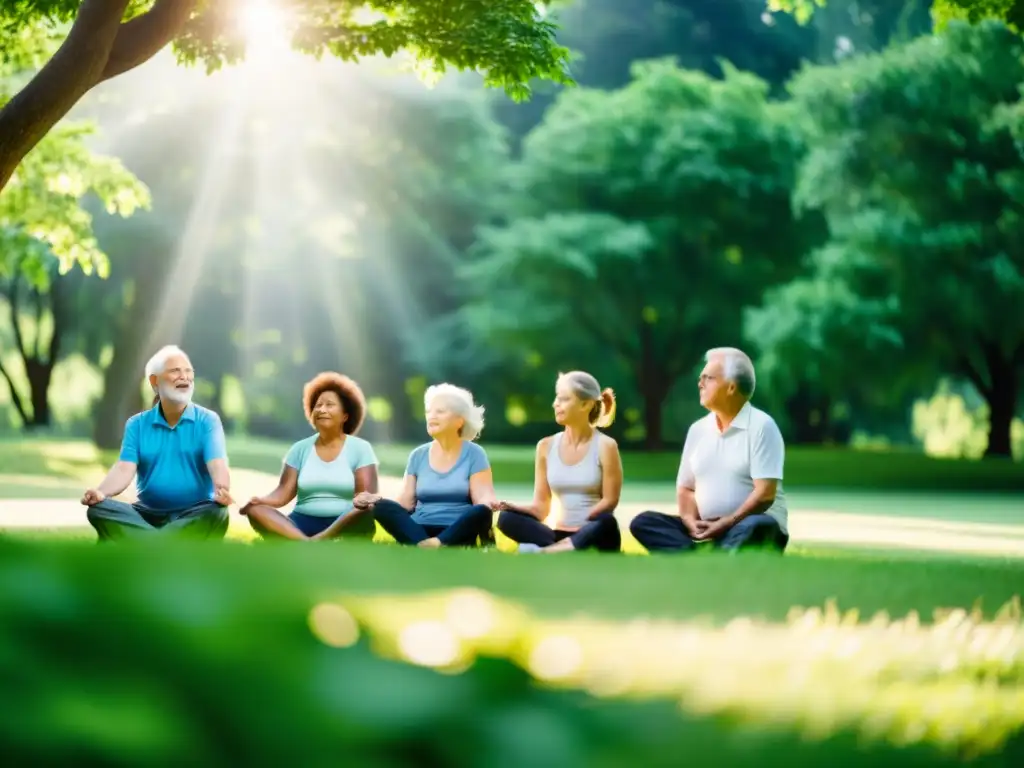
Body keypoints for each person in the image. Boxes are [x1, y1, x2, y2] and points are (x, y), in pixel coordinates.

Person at [630, 347, 789, 554]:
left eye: (709, 378)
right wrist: (689, 521)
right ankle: (711, 551)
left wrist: (726, 523)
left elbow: (765, 495)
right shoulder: (698, 430)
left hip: (747, 524)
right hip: (707, 528)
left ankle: (706, 552)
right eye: (701, 377)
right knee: (644, 522)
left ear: (731, 387)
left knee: (758, 526)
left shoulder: (762, 426)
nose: (700, 383)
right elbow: (686, 488)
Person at [81, 345, 231, 541]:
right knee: (98, 509)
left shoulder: (208, 421)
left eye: (188, 371)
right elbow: (124, 468)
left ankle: (144, 543)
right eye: (175, 371)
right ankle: (167, 543)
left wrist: (222, 489)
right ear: (154, 381)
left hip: (193, 514)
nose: (184, 377)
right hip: (146, 515)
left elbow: (217, 463)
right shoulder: (137, 424)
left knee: (217, 513)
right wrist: (100, 492)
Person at [495, 371, 623, 554]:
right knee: (506, 518)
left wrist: (583, 524)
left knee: (607, 521)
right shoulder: (545, 446)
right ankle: (561, 548)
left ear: (585, 404)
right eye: (557, 398)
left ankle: (549, 550)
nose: (556, 404)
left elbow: (610, 501)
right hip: (558, 534)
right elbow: (541, 508)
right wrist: (514, 507)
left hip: (595, 532)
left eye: (564, 399)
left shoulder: (606, 445)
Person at [240, 372, 379, 541]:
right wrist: (260, 500)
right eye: (318, 405)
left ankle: (311, 540)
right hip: (302, 521)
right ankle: (307, 543)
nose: (321, 409)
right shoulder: (300, 449)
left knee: (364, 508)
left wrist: (350, 513)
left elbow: (366, 497)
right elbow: (282, 493)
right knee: (257, 510)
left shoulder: (361, 448)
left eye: (329, 405)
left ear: (345, 416)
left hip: (345, 523)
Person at [358, 383, 495, 548]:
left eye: (440, 411)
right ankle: (428, 544)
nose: (432, 416)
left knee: (481, 511)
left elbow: (482, 497)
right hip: (419, 527)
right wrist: (375, 500)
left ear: (459, 421)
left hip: (456, 529)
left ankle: (432, 544)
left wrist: (490, 503)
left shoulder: (475, 453)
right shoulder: (418, 455)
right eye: (429, 411)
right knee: (381, 507)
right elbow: (405, 503)